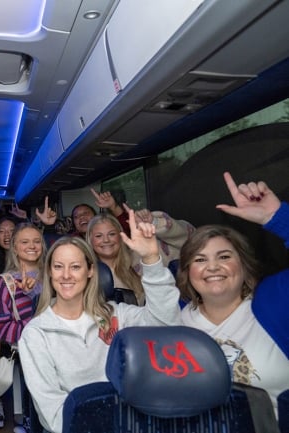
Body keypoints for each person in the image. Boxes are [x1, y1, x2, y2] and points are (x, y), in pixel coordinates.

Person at [18, 209, 181, 433]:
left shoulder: (116, 314)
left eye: (75, 267)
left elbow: (165, 325)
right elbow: (54, 415)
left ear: (91, 271)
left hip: (130, 423)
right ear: (49, 272)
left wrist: (151, 260)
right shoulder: (36, 334)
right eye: (58, 267)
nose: (66, 275)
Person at [178, 171, 289, 417]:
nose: (213, 267)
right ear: (188, 272)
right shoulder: (177, 318)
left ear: (243, 264)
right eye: (200, 259)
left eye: (224, 257)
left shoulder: (277, 299)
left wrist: (275, 216)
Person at [0, 223, 46, 431]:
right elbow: (0, 328)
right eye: (25, 242)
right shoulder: (5, 282)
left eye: (36, 241)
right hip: (26, 350)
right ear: (15, 248)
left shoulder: (55, 275)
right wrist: (36, 332)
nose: (32, 246)